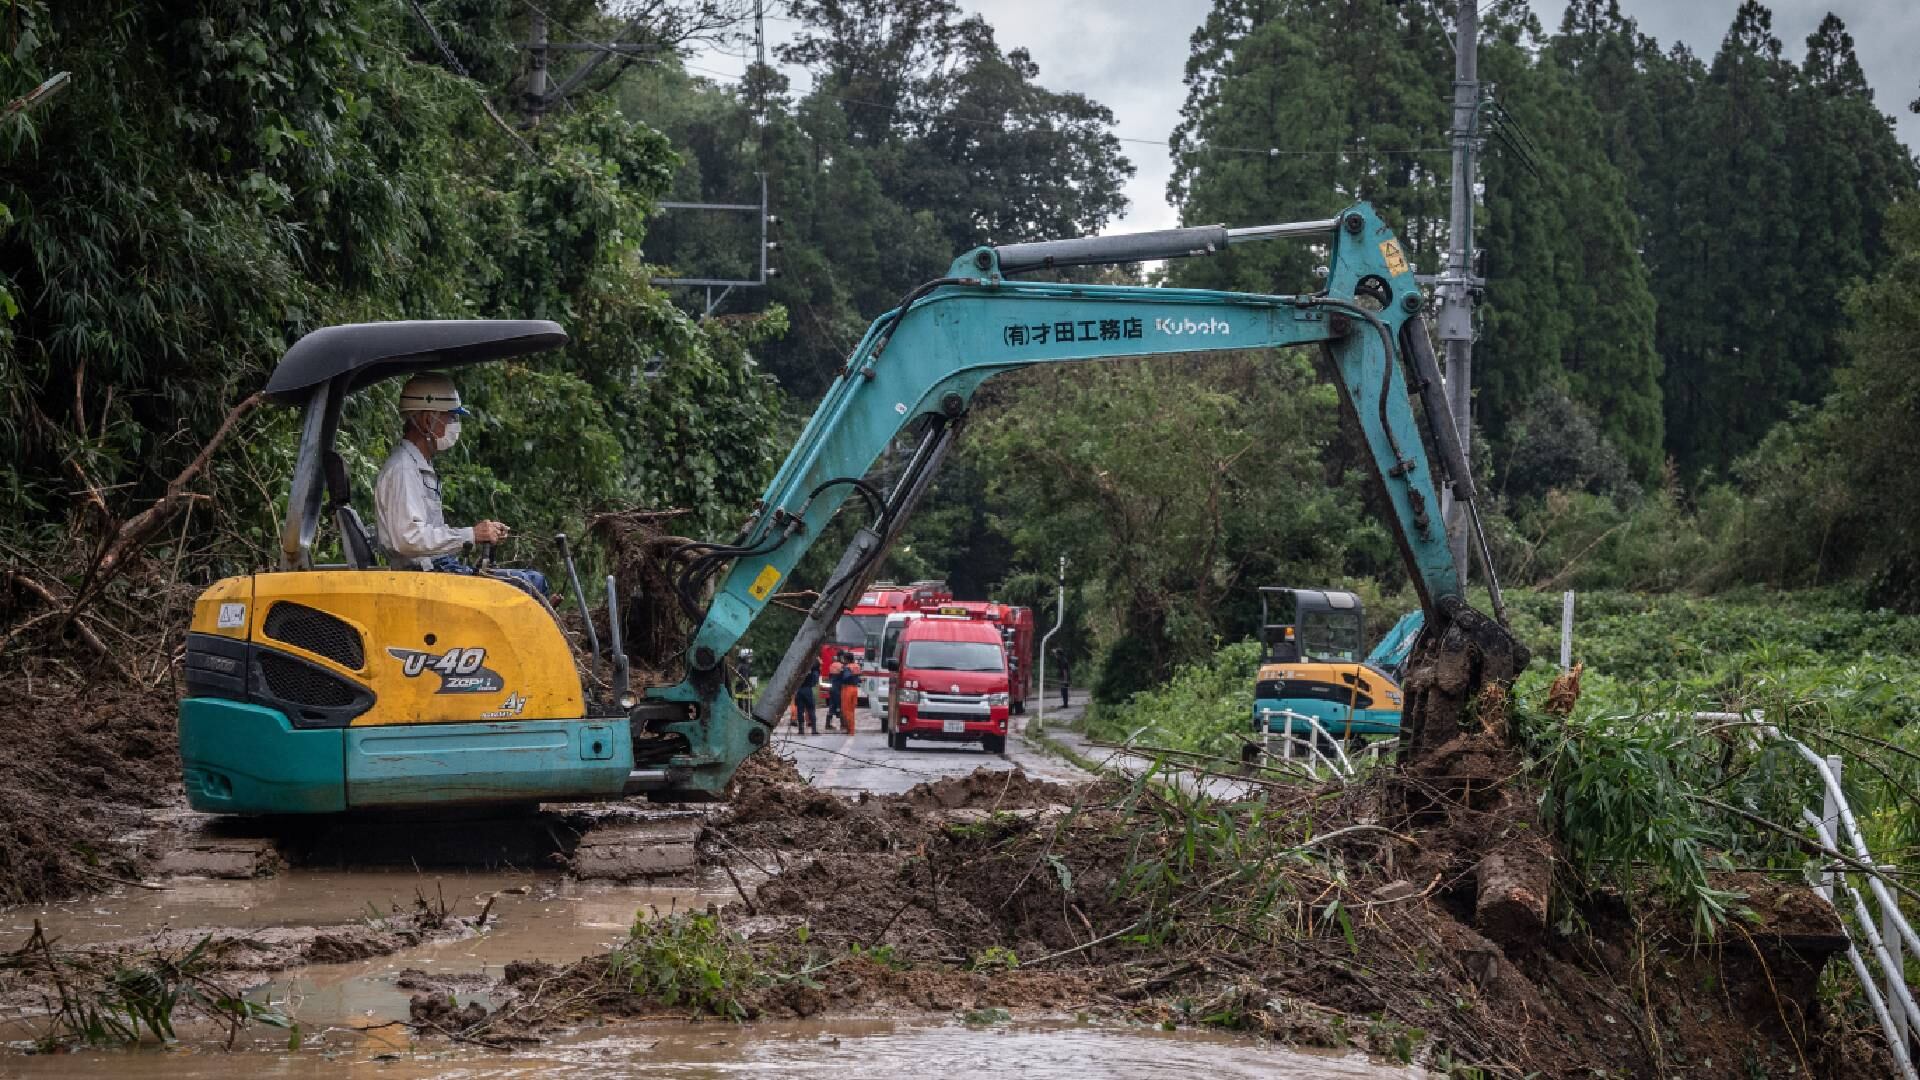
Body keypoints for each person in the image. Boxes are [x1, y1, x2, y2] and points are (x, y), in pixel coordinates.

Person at [374, 373, 549, 597]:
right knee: (531, 583)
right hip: (427, 579)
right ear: (428, 420)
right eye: (450, 418)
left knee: (531, 581)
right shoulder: (403, 470)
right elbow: (408, 539)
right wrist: (471, 535)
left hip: (434, 572)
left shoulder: (417, 466)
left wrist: (477, 534)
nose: (454, 426)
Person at [834, 650, 862, 735]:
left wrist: (841, 673)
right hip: (855, 689)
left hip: (847, 689)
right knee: (852, 710)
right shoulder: (857, 666)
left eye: (844, 659)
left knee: (846, 710)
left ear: (847, 659)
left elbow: (846, 677)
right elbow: (858, 678)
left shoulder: (847, 667)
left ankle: (850, 730)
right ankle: (851, 729)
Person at [792, 659, 820, 735]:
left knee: (800, 711)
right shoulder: (812, 670)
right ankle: (814, 730)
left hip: (799, 690)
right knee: (811, 709)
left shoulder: (799, 669)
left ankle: (801, 730)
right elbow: (815, 682)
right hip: (808, 690)